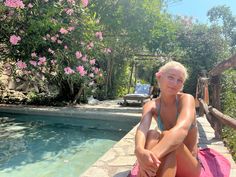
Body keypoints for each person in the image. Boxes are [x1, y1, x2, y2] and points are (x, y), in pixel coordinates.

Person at [134, 61, 201, 177]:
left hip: (189, 163)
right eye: (171, 77)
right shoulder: (151, 105)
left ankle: (145, 171)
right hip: (165, 159)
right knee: (151, 134)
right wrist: (139, 151)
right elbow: (142, 129)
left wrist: (149, 159)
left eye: (179, 80)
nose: (175, 83)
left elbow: (181, 130)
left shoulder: (186, 100)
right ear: (159, 77)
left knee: (169, 139)